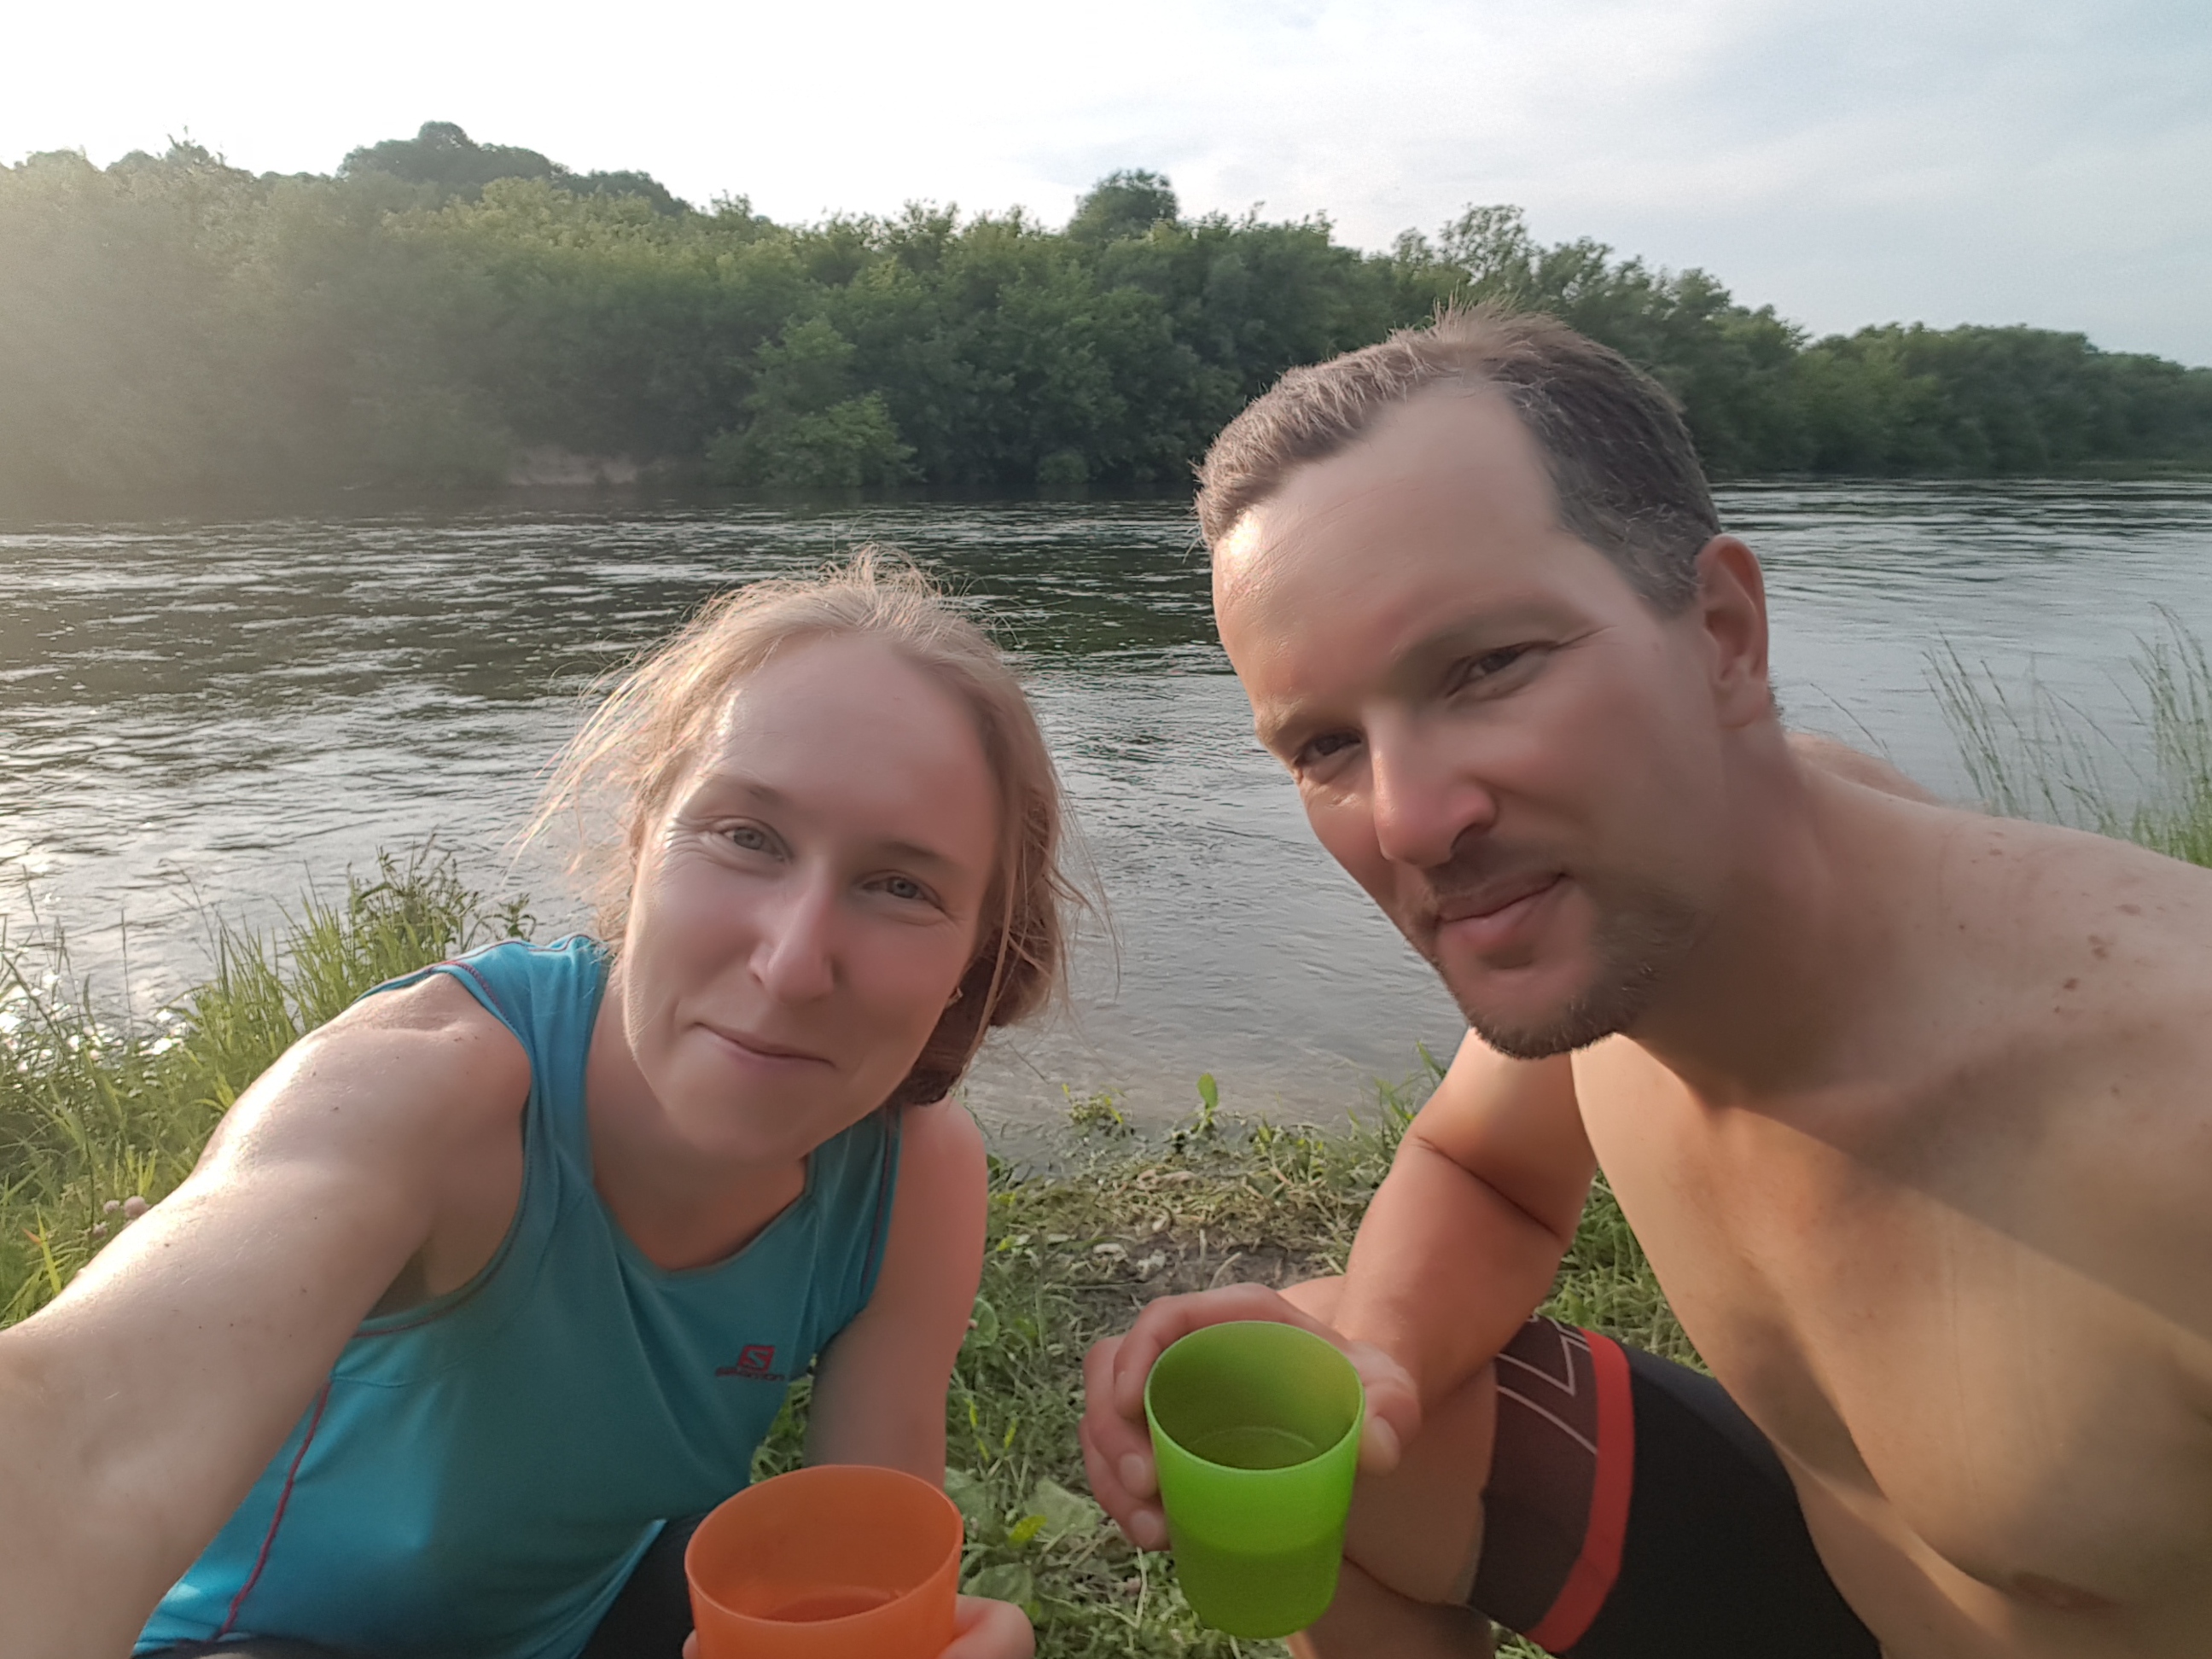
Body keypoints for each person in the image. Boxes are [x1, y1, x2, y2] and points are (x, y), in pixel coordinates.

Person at [1080, 308, 2212, 1658]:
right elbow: (1480, 1168)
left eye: (1487, 667)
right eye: (1326, 745)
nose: (1410, 821)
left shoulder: (2170, 1119)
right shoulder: (1630, 929)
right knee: (1325, 1370)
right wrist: (1379, 1362)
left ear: (1724, 633)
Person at [0, 555, 1057, 1659]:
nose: (792, 965)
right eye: (747, 836)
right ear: (643, 835)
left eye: (901, 887)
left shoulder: (910, 1179)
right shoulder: (423, 1090)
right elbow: (76, 1450)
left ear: (977, 955)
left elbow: (866, 1570)